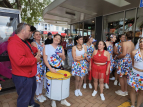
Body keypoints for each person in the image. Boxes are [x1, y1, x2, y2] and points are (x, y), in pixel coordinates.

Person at [7, 23, 41, 107]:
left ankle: (31, 104)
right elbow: (20, 61)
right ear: (23, 31)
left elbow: (28, 51)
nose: (31, 33)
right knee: (23, 99)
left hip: (29, 74)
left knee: (30, 94)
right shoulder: (14, 43)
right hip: (23, 76)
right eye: (29, 31)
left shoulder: (25, 41)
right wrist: (35, 59)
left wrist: (35, 49)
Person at [43, 34, 71, 107]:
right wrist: (50, 68)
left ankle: (63, 99)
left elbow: (64, 59)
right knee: (53, 85)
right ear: (53, 38)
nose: (57, 39)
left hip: (59, 68)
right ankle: (53, 100)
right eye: (56, 38)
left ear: (60, 40)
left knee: (61, 84)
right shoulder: (47, 46)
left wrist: (62, 55)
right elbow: (45, 59)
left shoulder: (61, 48)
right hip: (50, 69)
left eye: (59, 39)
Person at [115, 31, 134, 96]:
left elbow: (123, 54)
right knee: (125, 76)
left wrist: (117, 57)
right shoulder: (132, 44)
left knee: (121, 76)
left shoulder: (125, 43)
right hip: (129, 61)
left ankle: (123, 91)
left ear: (126, 36)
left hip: (123, 61)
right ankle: (125, 90)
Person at [31, 30, 46, 103]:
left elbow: (43, 54)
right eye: (36, 34)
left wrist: (43, 54)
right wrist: (43, 55)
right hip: (37, 64)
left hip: (42, 64)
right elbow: (39, 53)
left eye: (39, 34)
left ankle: (40, 93)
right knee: (37, 80)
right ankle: (37, 95)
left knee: (41, 79)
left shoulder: (42, 44)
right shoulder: (34, 43)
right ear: (33, 36)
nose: (38, 36)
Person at [128, 37, 143, 107]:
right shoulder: (134, 52)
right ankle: (133, 105)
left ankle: (138, 106)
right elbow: (133, 63)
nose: (142, 43)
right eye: (140, 42)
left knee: (141, 92)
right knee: (133, 90)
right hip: (135, 73)